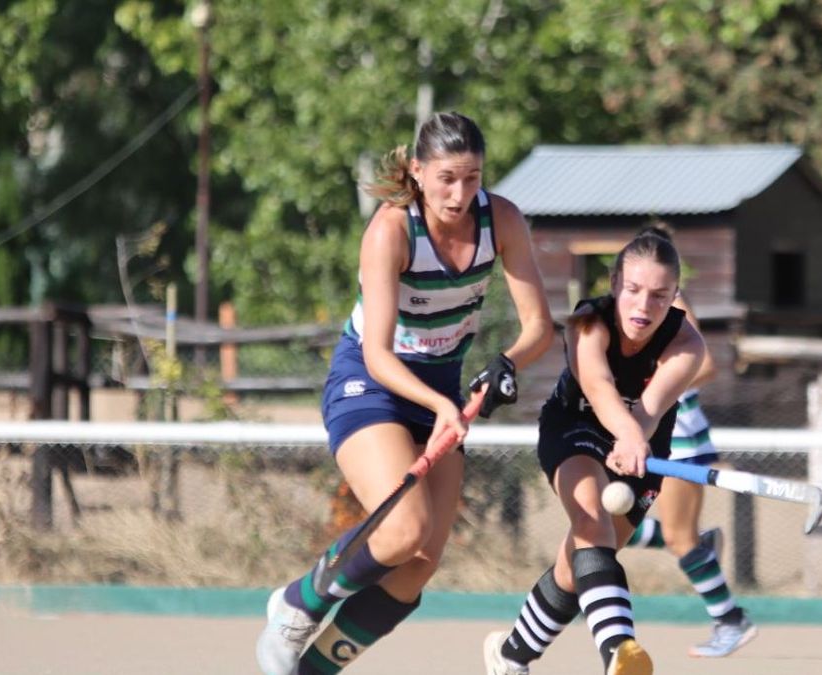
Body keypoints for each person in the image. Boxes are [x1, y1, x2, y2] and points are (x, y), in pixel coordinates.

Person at [256, 111, 553, 675]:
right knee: (402, 529)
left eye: (472, 178)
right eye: (446, 178)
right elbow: (378, 354)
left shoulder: (502, 220)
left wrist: (506, 364)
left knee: (420, 563)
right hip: (371, 385)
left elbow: (540, 328)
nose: (460, 194)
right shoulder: (391, 231)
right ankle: (298, 604)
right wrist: (443, 405)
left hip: (442, 388)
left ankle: (313, 671)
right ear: (418, 171)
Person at [483, 230, 705, 675]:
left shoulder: (687, 344)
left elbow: (652, 406)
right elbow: (599, 388)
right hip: (575, 426)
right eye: (634, 290)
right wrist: (625, 433)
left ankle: (509, 657)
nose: (644, 307)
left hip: (644, 440)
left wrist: (633, 437)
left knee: (580, 562)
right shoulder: (587, 322)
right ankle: (620, 651)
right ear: (614, 282)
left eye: (660, 296)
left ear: (675, 296)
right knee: (590, 520)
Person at [620, 228, 756, 658]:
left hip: (676, 438)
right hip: (656, 437)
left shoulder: (672, 304)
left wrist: (646, 394)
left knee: (677, 538)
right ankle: (704, 548)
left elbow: (706, 365)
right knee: (612, 526)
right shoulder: (635, 308)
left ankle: (730, 620)